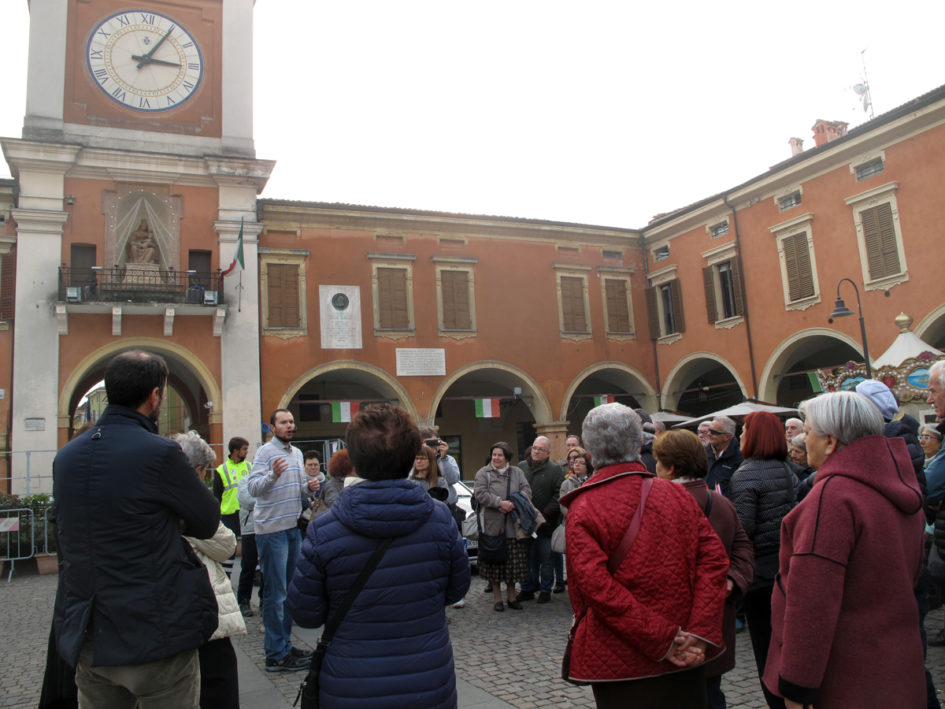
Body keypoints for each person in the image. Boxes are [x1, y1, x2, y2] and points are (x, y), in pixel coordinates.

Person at [52, 350, 219, 707]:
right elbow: (207, 520)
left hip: (90, 631)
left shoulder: (66, 456)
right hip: (153, 629)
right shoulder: (159, 453)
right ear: (155, 396)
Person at [288, 404, 470, 708]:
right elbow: (456, 590)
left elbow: (304, 612)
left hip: (350, 685)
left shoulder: (323, 530)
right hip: (427, 680)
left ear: (355, 461)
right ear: (409, 459)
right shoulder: (439, 519)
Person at [764, 391, 926, 708]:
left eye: (807, 432)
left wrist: (797, 686)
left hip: (844, 679)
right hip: (897, 670)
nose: (800, 441)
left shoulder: (833, 497)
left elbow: (811, 603)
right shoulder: (898, 484)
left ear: (830, 441)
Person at [562, 403, 728, 707]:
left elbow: (596, 589)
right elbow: (714, 561)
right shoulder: (677, 494)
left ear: (589, 452)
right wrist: (697, 632)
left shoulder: (584, 508)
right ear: (639, 444)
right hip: (687, 651)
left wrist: (665, 639)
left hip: (621, 661)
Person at [653, 429, 754, 709]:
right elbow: (744, 550)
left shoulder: (657, 504)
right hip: (715, 621)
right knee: (710, 693)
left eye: (658, 462)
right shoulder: (721, 503)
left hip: (673, 626)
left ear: (671, 468)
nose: (655, 469)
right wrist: (732, 580)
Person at [728, 411, 798, 709]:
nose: (741, 436)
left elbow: (742, 531)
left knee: (766, 650)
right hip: (789, 567)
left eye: (744, 431)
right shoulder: (789, 470)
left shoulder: (746, 475)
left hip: (761, 575)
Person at [174, 431, 247, 709]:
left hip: (172, 614)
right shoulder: (189, 499)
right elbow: (225, 544)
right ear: (196, 470)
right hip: (203, 610)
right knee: (217, 686)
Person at [246, 409, 314, 672]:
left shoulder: (296, 454)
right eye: (283, 422)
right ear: (273, 428)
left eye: (291, 422)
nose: (289, 426)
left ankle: (285, 646)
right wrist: (272, 474)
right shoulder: (265, 453)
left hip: (292, 528)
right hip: (272, 531)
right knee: (276, 595)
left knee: (289, 592)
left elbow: (298, 490)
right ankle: (275, 653)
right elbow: (253, 489)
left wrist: (309, 488)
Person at [474, 441, 532, 611]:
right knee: (495, 564)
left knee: (512, 565)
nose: (496, 458)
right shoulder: (484, 473)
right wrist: (499, 503)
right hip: (493, 525)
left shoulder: (517, 472)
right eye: (494, 455)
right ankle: (497, 598)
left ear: (507, 457)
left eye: (500, 455)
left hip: (513, 525)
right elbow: (480, 494)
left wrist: (514, 503)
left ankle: (512, 597)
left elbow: (527, 490)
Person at [516, 435, 564, 604]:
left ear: (548, 453)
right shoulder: (521, 467)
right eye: (534, 448)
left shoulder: (555, 470)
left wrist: (548, 510)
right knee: (526, 558)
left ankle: (545, 589)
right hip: (526, 522)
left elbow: (559, 493)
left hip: (546, 524)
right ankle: (527, 588)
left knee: (546, 558)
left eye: (540, 449)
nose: (536, 452)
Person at [214, 436, 251, 576]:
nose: (247, 452)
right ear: (235, 451)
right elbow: (217, 495)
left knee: (249, 546)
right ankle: (226, 575)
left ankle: (254, 575)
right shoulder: (221, 470)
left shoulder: (249, 466)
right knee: (229, 547)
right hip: (229, 514)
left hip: (247, 512)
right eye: (244, 449)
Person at [236, 472, 264, 618]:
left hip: (266, 527)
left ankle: (263, 600)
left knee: (266, 567)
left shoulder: (267, 479)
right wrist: (265, 500)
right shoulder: (244, 481)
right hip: (249, 529)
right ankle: (243, 601)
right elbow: (246, 499)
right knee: (248, 566)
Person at [706, 415, 742, 498]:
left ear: (727, 437)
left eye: (714, 432)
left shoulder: (739, 458)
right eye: (709, 430)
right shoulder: (702, 454)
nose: (709, 434)